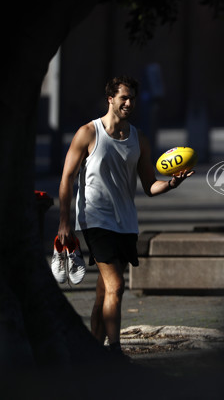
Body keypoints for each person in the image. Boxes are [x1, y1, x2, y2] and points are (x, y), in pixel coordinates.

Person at [57, 75, 194, 360]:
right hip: (95, 218)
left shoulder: (138, 138)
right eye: (123, 98)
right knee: (117, 286)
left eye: (132, 98)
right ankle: (114, 352)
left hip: (126, 222)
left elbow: (149, 185)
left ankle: (92, 353)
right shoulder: (88, 132)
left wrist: (171, 183)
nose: (129, 103)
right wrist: (64, 221)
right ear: (110, 98)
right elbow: (67, 178)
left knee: (103, 293)